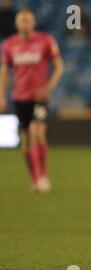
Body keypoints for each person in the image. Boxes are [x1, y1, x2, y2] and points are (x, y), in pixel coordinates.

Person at [0, 9, 65, 192]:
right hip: (20, 98)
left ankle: (43, 176)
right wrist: (2, 96)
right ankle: (34, 178)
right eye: (22, 20)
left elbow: (59, 66)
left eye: (28, 19)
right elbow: (5, 71)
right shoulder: (9, 45)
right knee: (25, 141)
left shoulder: (45, 40)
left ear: (34, 22)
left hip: (38, 97)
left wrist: (48, 88)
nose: (25, 23)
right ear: (16, 23)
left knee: (37, 132)